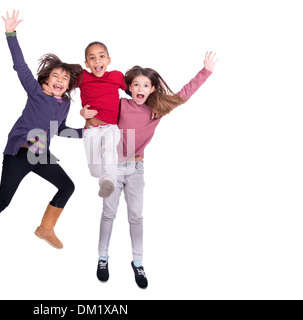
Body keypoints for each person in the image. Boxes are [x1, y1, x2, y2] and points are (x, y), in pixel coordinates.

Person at [0, 10, 84, 272]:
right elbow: (21, 66)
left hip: (40, 156)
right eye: (56, 76)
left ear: (69, 85)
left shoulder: (64, 106)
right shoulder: (35, 92)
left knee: (67, 187)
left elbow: (60, 129)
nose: (60, 80)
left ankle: (45, 228)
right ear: (46, 81)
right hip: (19, 153)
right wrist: (10, 33)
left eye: (65, 78)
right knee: (3, 199)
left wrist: (87, 132)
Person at [85, 52, 218, 288]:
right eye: (136, 84)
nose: (140, 88)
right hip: (113, 166)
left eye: (146, 85)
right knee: (108, 213)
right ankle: (102, 257)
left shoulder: (158, 110)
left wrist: (205, 71)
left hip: (136, 168)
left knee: (136, 216)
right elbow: (98, 110)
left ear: (152, 89)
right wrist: (84, 114)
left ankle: (138, 262)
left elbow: (183, 95)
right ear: (129, 87)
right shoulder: (120, 104)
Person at [43, 42, 127, 198]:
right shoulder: (83, 77)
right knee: (95, 171)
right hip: (91, 130)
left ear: (109, 60)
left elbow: (134, 91)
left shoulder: (116, 76)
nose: (97, 61)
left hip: (111, 127)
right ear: (87, 63)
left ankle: (109, 180)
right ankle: (109, 172)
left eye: (101, 57)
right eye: (92, 58)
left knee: (109, 149)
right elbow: (62, 85)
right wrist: (82, 111)